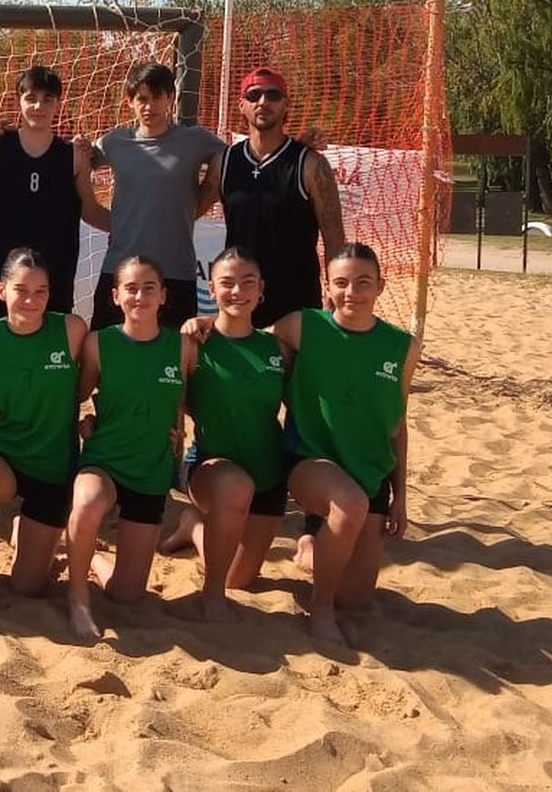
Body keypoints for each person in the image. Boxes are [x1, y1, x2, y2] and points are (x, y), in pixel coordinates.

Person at [195, 65, 346, 566]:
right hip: (238, 301)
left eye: (273, 95)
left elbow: (334, 233)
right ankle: (222, 499)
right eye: (254, 95)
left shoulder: (308, 164)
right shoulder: (224, 161)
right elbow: (189, 207)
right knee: (230, 404)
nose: (264, 102)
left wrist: (335, 300)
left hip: (293, 306)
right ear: (242, 106)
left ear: (286, 103)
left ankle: (312, 522)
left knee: (307, 413)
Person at [277, 244, 419, 643]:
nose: (351, 292)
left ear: (381, 286)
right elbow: (243, 342)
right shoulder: (303, 326)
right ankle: (319, 610)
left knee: (354, 599)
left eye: (363, 283)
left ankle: (311, 543)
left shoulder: (402, 347)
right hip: (311, 463)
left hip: (370, 473)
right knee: (348, 504)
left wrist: (401, 497)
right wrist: (202, 322)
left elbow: (398, 426)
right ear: (328, 285)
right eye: (341, 283)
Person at [0, 247, 88, 628]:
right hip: (7, 453)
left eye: (40, 291)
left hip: (53, 465)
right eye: (21, 290)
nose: (31, 300)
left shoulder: (72, 330)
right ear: (1, 291)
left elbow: (98, 379)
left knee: (28, 587)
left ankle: (40, 540)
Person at [64, 255, 184, 640]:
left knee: (126, 594)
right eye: (131, 288)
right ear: (115, 296)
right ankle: (78, 597)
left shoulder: (183, 347)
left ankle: (94, 557)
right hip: (105, 458)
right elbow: (72, 395)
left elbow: (183, 405)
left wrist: (179, 439)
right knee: (87, 502)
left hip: (151, 469)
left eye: (149, 287)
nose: (140, 296)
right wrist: (85, 425)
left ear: (164, 295)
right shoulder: (99, 343)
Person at [178, 248, 291, 621]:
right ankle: (210, 596)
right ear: (211, 287)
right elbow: (173, 406)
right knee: (234, 487)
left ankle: (192, 526)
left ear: (261, 290)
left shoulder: (278, 348)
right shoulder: (195, 343)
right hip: (211, 469)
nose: (236, 291)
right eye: (226, 282)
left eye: (247, 282)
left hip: (268, 477)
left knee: (238, 579)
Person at [0, 66, 110, 322]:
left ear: (57, 103)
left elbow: (91, 210)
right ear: (18, 101)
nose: (38, 106)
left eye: (47, 99)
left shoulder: (73, 156)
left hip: (53, 282)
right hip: (0, 280)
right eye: (31, 98)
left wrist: (134, 228)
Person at [89, 61, 225, 330]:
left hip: (174, 271)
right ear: (129, 101)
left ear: (171, 99)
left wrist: (296, 145)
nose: (149, 106)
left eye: (157, 98)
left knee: (174, 358)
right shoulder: (114, 142)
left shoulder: (195, 140)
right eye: (142, 99)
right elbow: (72, 160)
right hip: (120, 268)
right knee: (106, 354)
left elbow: (240, 160)